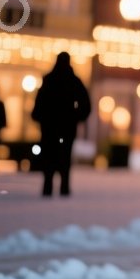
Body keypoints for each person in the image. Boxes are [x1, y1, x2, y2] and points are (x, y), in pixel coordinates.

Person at [32, 53, 90, 197]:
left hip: (50, 127)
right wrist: (77, 117)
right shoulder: (74, 81)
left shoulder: (49, 80)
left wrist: (40, 117)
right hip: (67, 127)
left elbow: (40, 102)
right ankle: (64, 186)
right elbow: (85, 104)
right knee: (65, 156)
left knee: (49, 156)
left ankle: (48, 185)